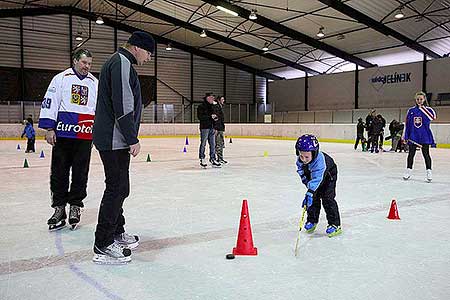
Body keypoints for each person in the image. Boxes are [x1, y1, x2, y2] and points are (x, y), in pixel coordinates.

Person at [92, 31, 154, 264]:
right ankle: (103, 244)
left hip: (115, 138)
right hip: (114, 139)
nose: (148, 58)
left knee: (120, 187)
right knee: (116, 189)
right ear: (137, 47)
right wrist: (132, 137)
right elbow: (124, 104)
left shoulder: (120, 62)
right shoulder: (122, 63)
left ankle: (117, 232)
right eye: (148, 53)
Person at [38, 48, 97, 231]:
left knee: (81, 173)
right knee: (59, 173)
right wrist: (49, 128)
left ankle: (75, 207)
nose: (87, 66)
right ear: (75, 61)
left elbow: (98, 109)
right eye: (84, 62)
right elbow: (51, 102)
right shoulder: (61, 78)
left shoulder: (95, 82)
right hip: (63, 134)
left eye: (89, 63)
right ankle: (59, 208)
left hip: (84, 134)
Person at [295, 134, 342, 237]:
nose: (303, 159)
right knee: (314, 198)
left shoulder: (320, 162)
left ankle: (335, 224)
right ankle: (312, 220)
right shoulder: (300, 161)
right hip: (314, 178)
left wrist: (310, 191)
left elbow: (318, 178)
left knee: (327, 199)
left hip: (328, 178)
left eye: (306, 157)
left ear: (314, 153)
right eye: (301, 156)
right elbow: (301, 172)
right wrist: (308, 187)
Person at [403, 91, 436, 182]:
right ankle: (408, 170)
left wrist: (422, 108)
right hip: (413, 136)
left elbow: (432, 117)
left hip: (424, 136)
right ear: (415, 100)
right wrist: (406, 136)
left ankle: (429, 171)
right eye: (417, 99)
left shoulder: (429, 110)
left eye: (421, 99)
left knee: (426, 154)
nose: (419, 101)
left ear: (424, 99)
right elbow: (408, 125)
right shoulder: (411, 111)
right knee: (411, 155)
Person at [197, 93, 221, 168]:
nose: (212, 99)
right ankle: (202, 158)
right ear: (207, 98)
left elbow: (216, 116)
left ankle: (212, 159)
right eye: (211, 98)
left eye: (213, 98)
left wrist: (215, 125)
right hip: (204, 127)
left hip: (212, 127)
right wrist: (210, 117)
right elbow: (200, 117)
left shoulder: (213, 107)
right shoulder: (201, 106)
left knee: (213, 144)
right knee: (203, 143)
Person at [214, 95, 227, 164]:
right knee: (219, 144)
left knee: (221, 143)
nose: (223, 100)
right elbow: (216, 118)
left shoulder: (220, 107)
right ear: (219, 100)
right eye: (222, 99)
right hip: (218, 129)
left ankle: (220, 158)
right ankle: (218, 158)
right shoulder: (217, 107)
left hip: (220, 128)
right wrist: (216, 128)